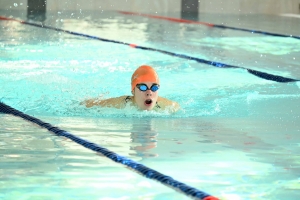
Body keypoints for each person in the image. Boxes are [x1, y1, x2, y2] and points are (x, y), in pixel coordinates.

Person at [82, 65, 180, 113]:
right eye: (142, 87)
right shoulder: (123, 103)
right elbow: (90, 105)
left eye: (154, 87)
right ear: (133, 91)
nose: (149, 92)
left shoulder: (168, 107)